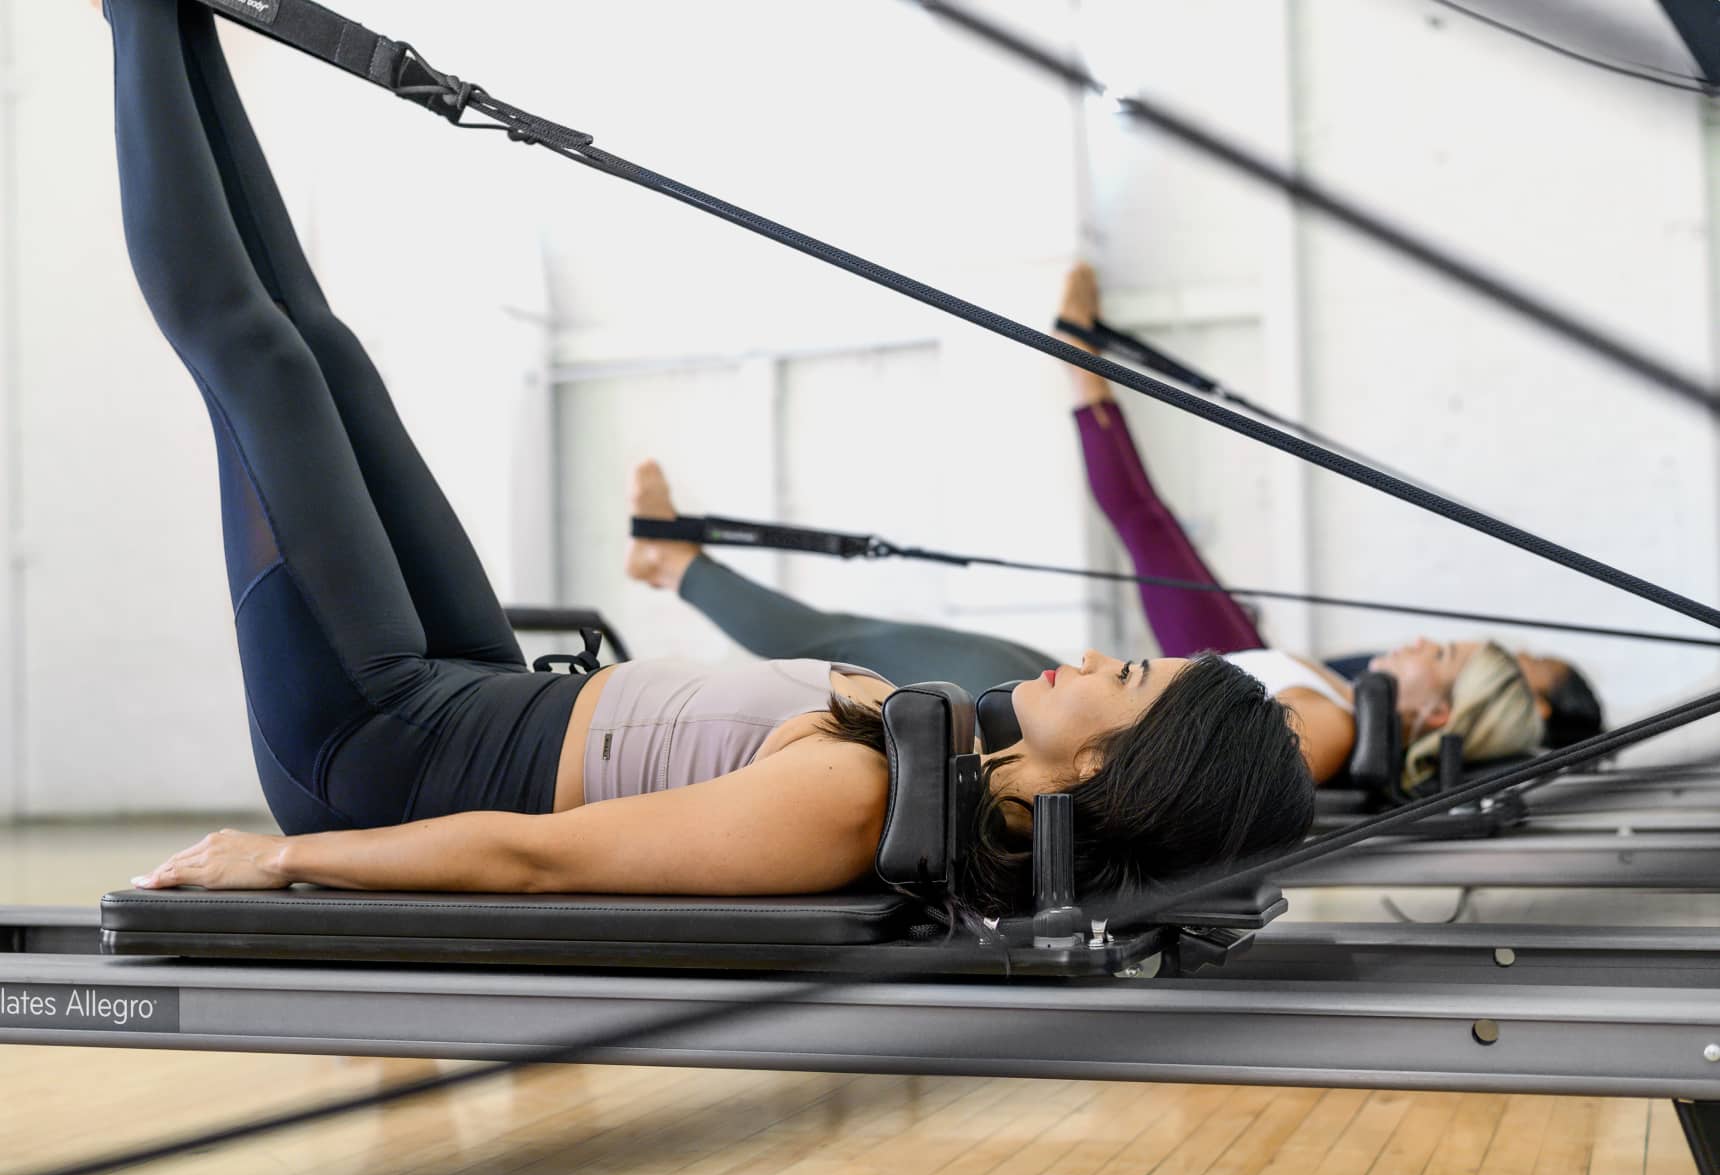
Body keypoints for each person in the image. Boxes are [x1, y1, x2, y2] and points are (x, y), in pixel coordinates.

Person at [110, 0, 1315, 914]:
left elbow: (538, 860)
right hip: (480, 697)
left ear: (1107, 763)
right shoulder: (938, 741)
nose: (1096, 654)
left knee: (261, 360)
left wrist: (285, 858)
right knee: (324, 352)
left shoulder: (856, 797)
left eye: (1127, 675)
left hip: (383, 750)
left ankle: (130, 16)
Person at [628, 266, 1570, 786]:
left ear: (1436, 715)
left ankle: (675, 566)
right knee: (839, 646)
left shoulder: (1325, 727)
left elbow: (1191, 782)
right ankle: (675, 565)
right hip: (1072, 692)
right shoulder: (1336, 701)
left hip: (1054, 722)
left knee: (836, 655)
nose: (1419, 642)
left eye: (1441, 655)